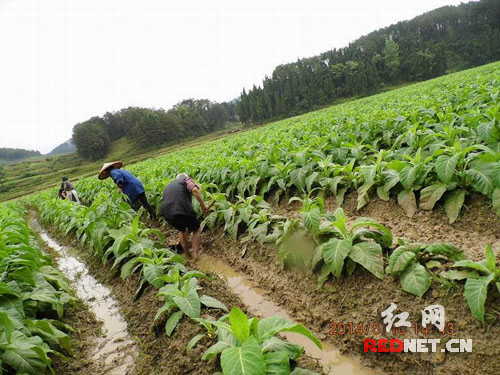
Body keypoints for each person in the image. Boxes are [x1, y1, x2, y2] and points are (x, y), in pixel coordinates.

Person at [160, 173, 208, 260]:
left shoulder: (169, 185)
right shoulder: (186, 180)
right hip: (182, 207)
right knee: (196, 229)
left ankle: (187, 254)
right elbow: (195, 190)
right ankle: (195, 255)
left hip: (166, 211)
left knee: (182, 230)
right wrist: (203, 206)